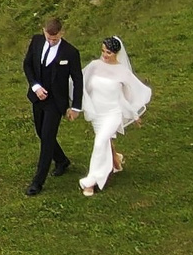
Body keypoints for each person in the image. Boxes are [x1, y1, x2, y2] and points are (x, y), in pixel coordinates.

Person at [79, 36, 153, 196]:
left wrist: (134, 114)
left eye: (109, 52)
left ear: (116, 53)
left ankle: (90, 182)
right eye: (103, 51)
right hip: (97, 113)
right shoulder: (94, 66)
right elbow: (82, 85)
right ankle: (115, 161)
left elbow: (125, 95)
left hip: (112, 114)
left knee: (100, 142)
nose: (105, 55)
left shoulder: (122, 72)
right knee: (104, 142)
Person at [22, 17, 84, 196]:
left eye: (54, 39)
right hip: (38, 97)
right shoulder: (36, 41)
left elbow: (78, 80)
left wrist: (76, 107)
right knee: (41, 132)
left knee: (48, 138)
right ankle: (62, 160)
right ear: (43, 31)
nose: (50, 41)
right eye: (48, 37)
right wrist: (35, 86)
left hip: (56, 103)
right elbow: (27, 65)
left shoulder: (71, 52)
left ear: (62, 33)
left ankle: (37, 182)